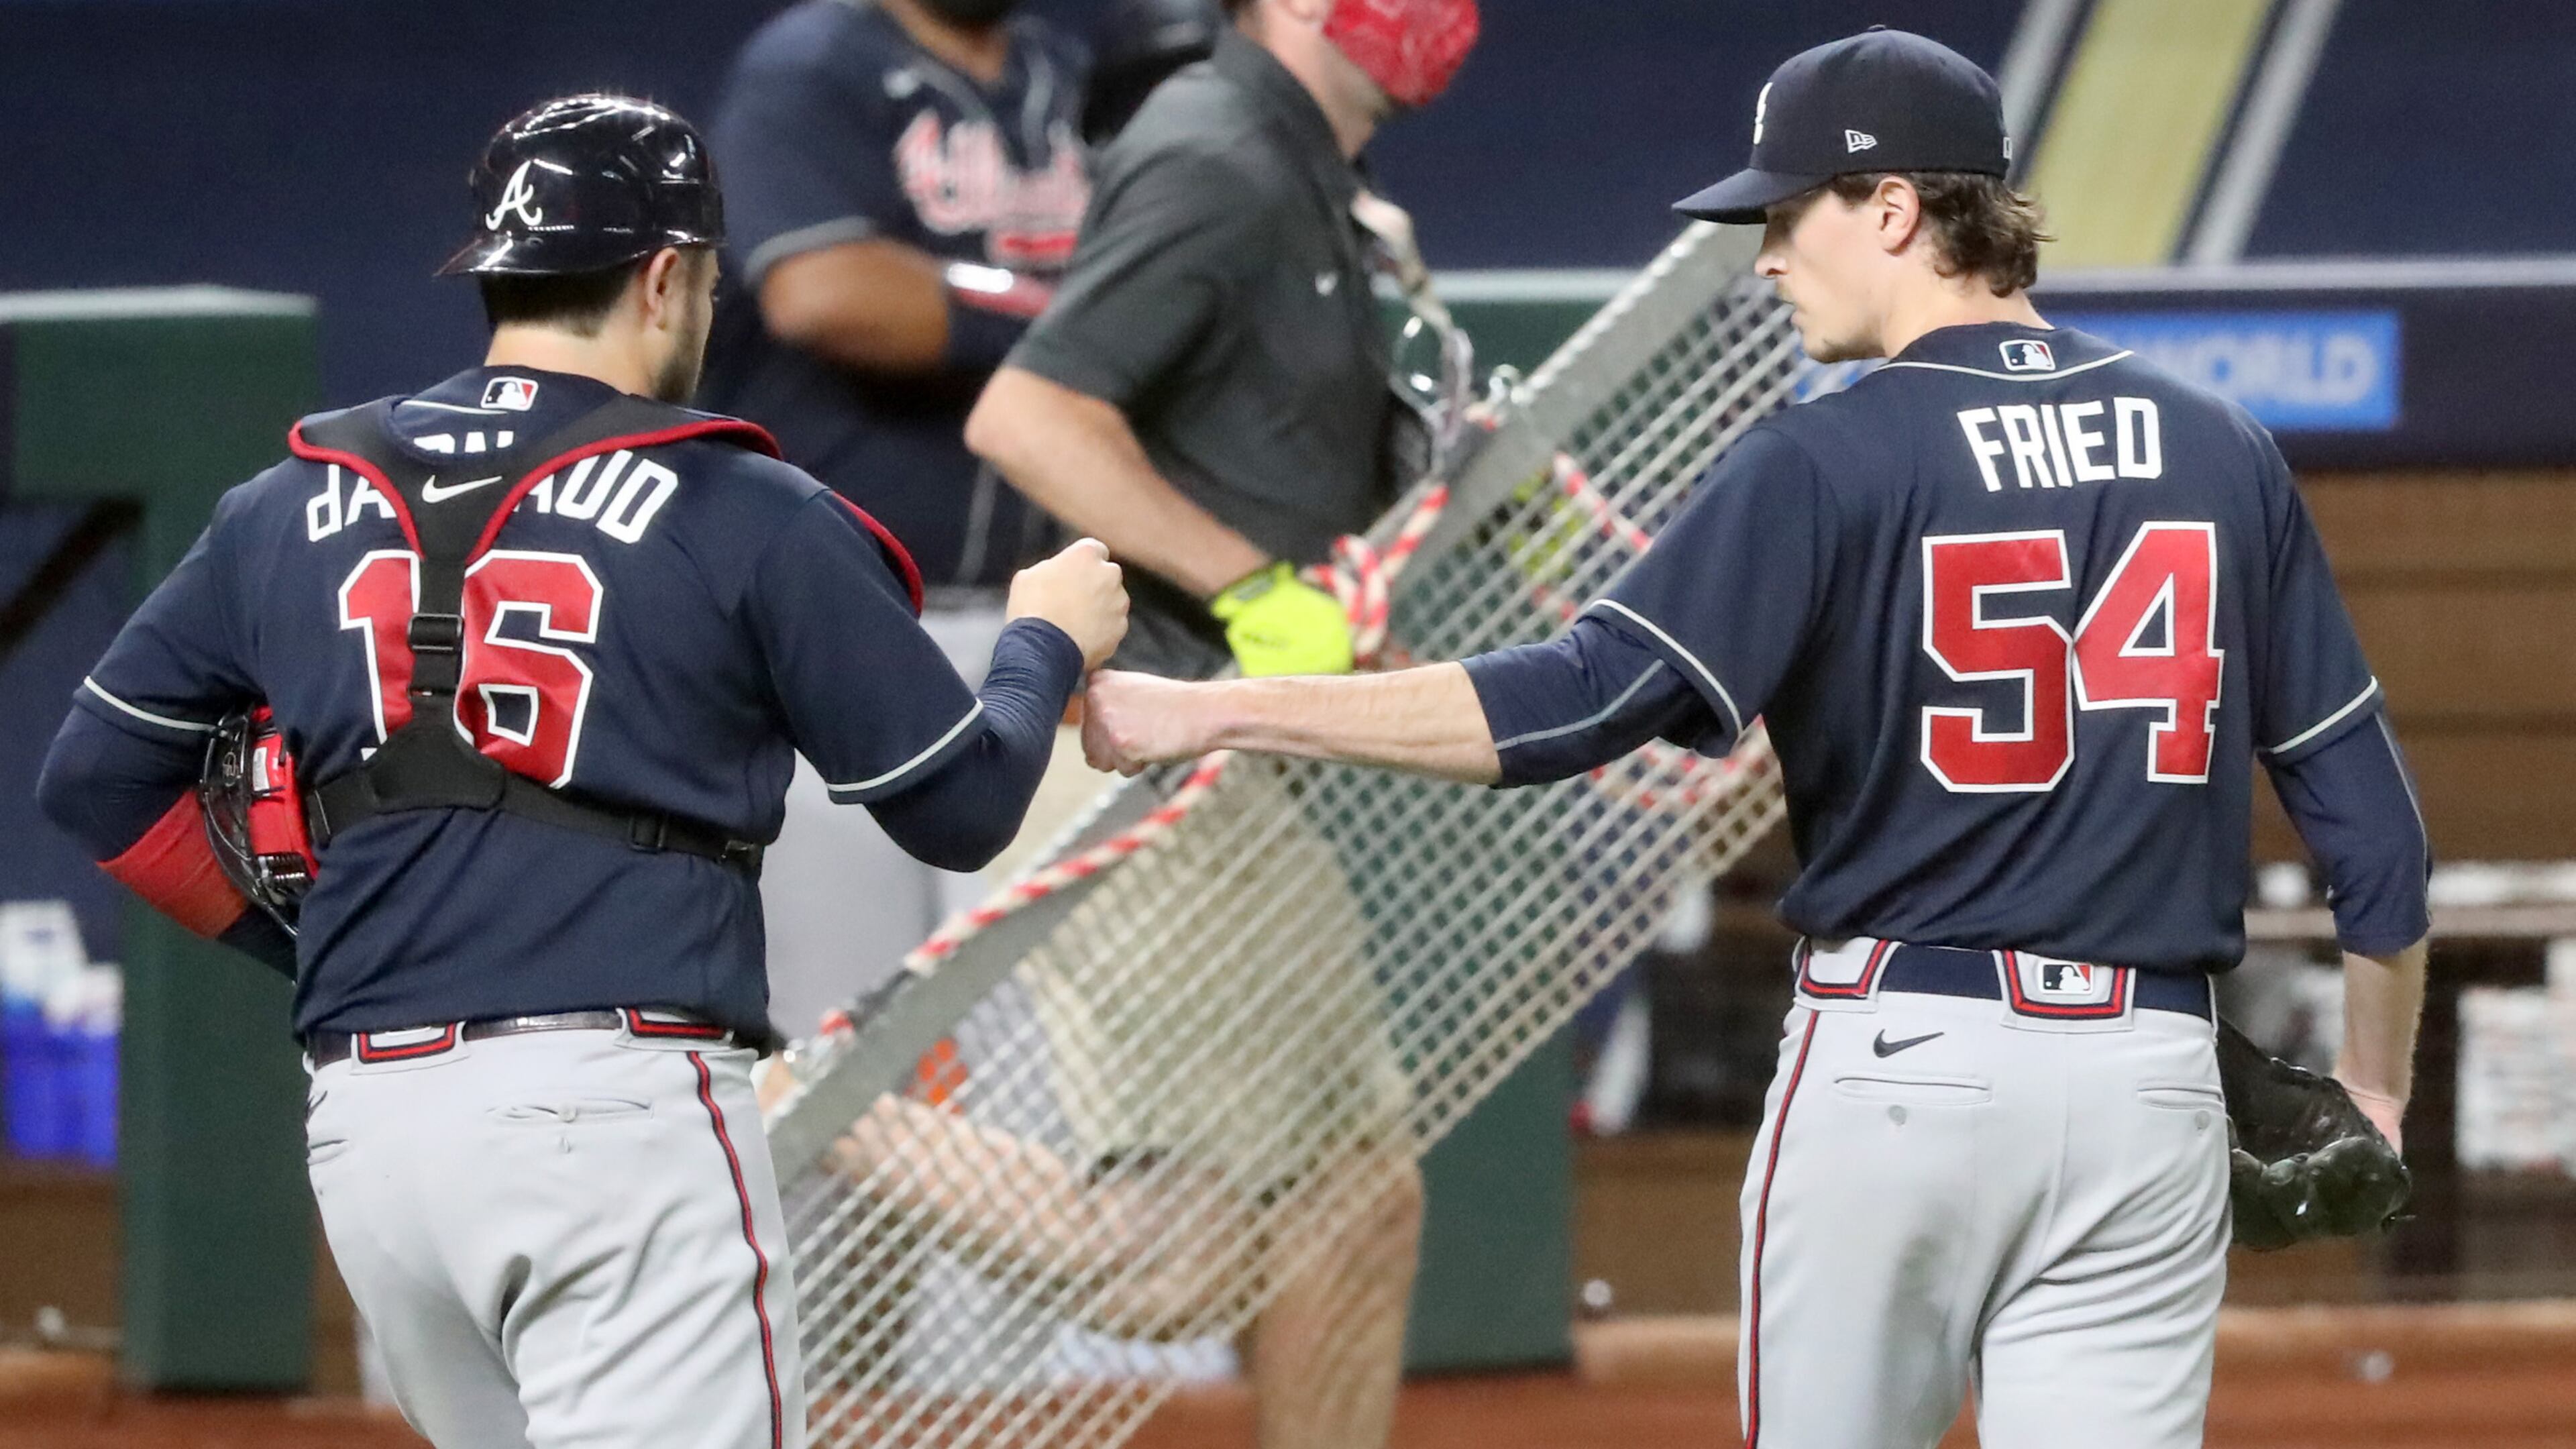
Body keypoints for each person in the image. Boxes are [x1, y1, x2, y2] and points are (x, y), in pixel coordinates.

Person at [1081, 30, 2430, 1449]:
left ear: (1896, 210)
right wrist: (2376, 1093)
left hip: (1900, 1068)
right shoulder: (2221, 447)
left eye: (1790, 214)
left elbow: (1577, 704)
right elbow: (2378, 842)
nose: (1768, 254)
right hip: (2147, 1086)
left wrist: (1213, 703)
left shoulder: (1825, 457)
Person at [36, 95, 1126, 1449]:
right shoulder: (744, 506)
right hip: (614, 1123)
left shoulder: (284, 505)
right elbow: (959, 808)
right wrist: (1042, 647)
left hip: (375, 1131)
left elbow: (96, 781)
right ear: (666, 277)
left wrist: (313, 938)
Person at [692, 0, 1094, 1034]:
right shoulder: (814, 69)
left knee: (1039, 1046)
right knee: (832, 1038)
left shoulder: (1067, 71)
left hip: (1030, 634)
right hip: (838, 636)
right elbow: (825, 292)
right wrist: (1058, 315)